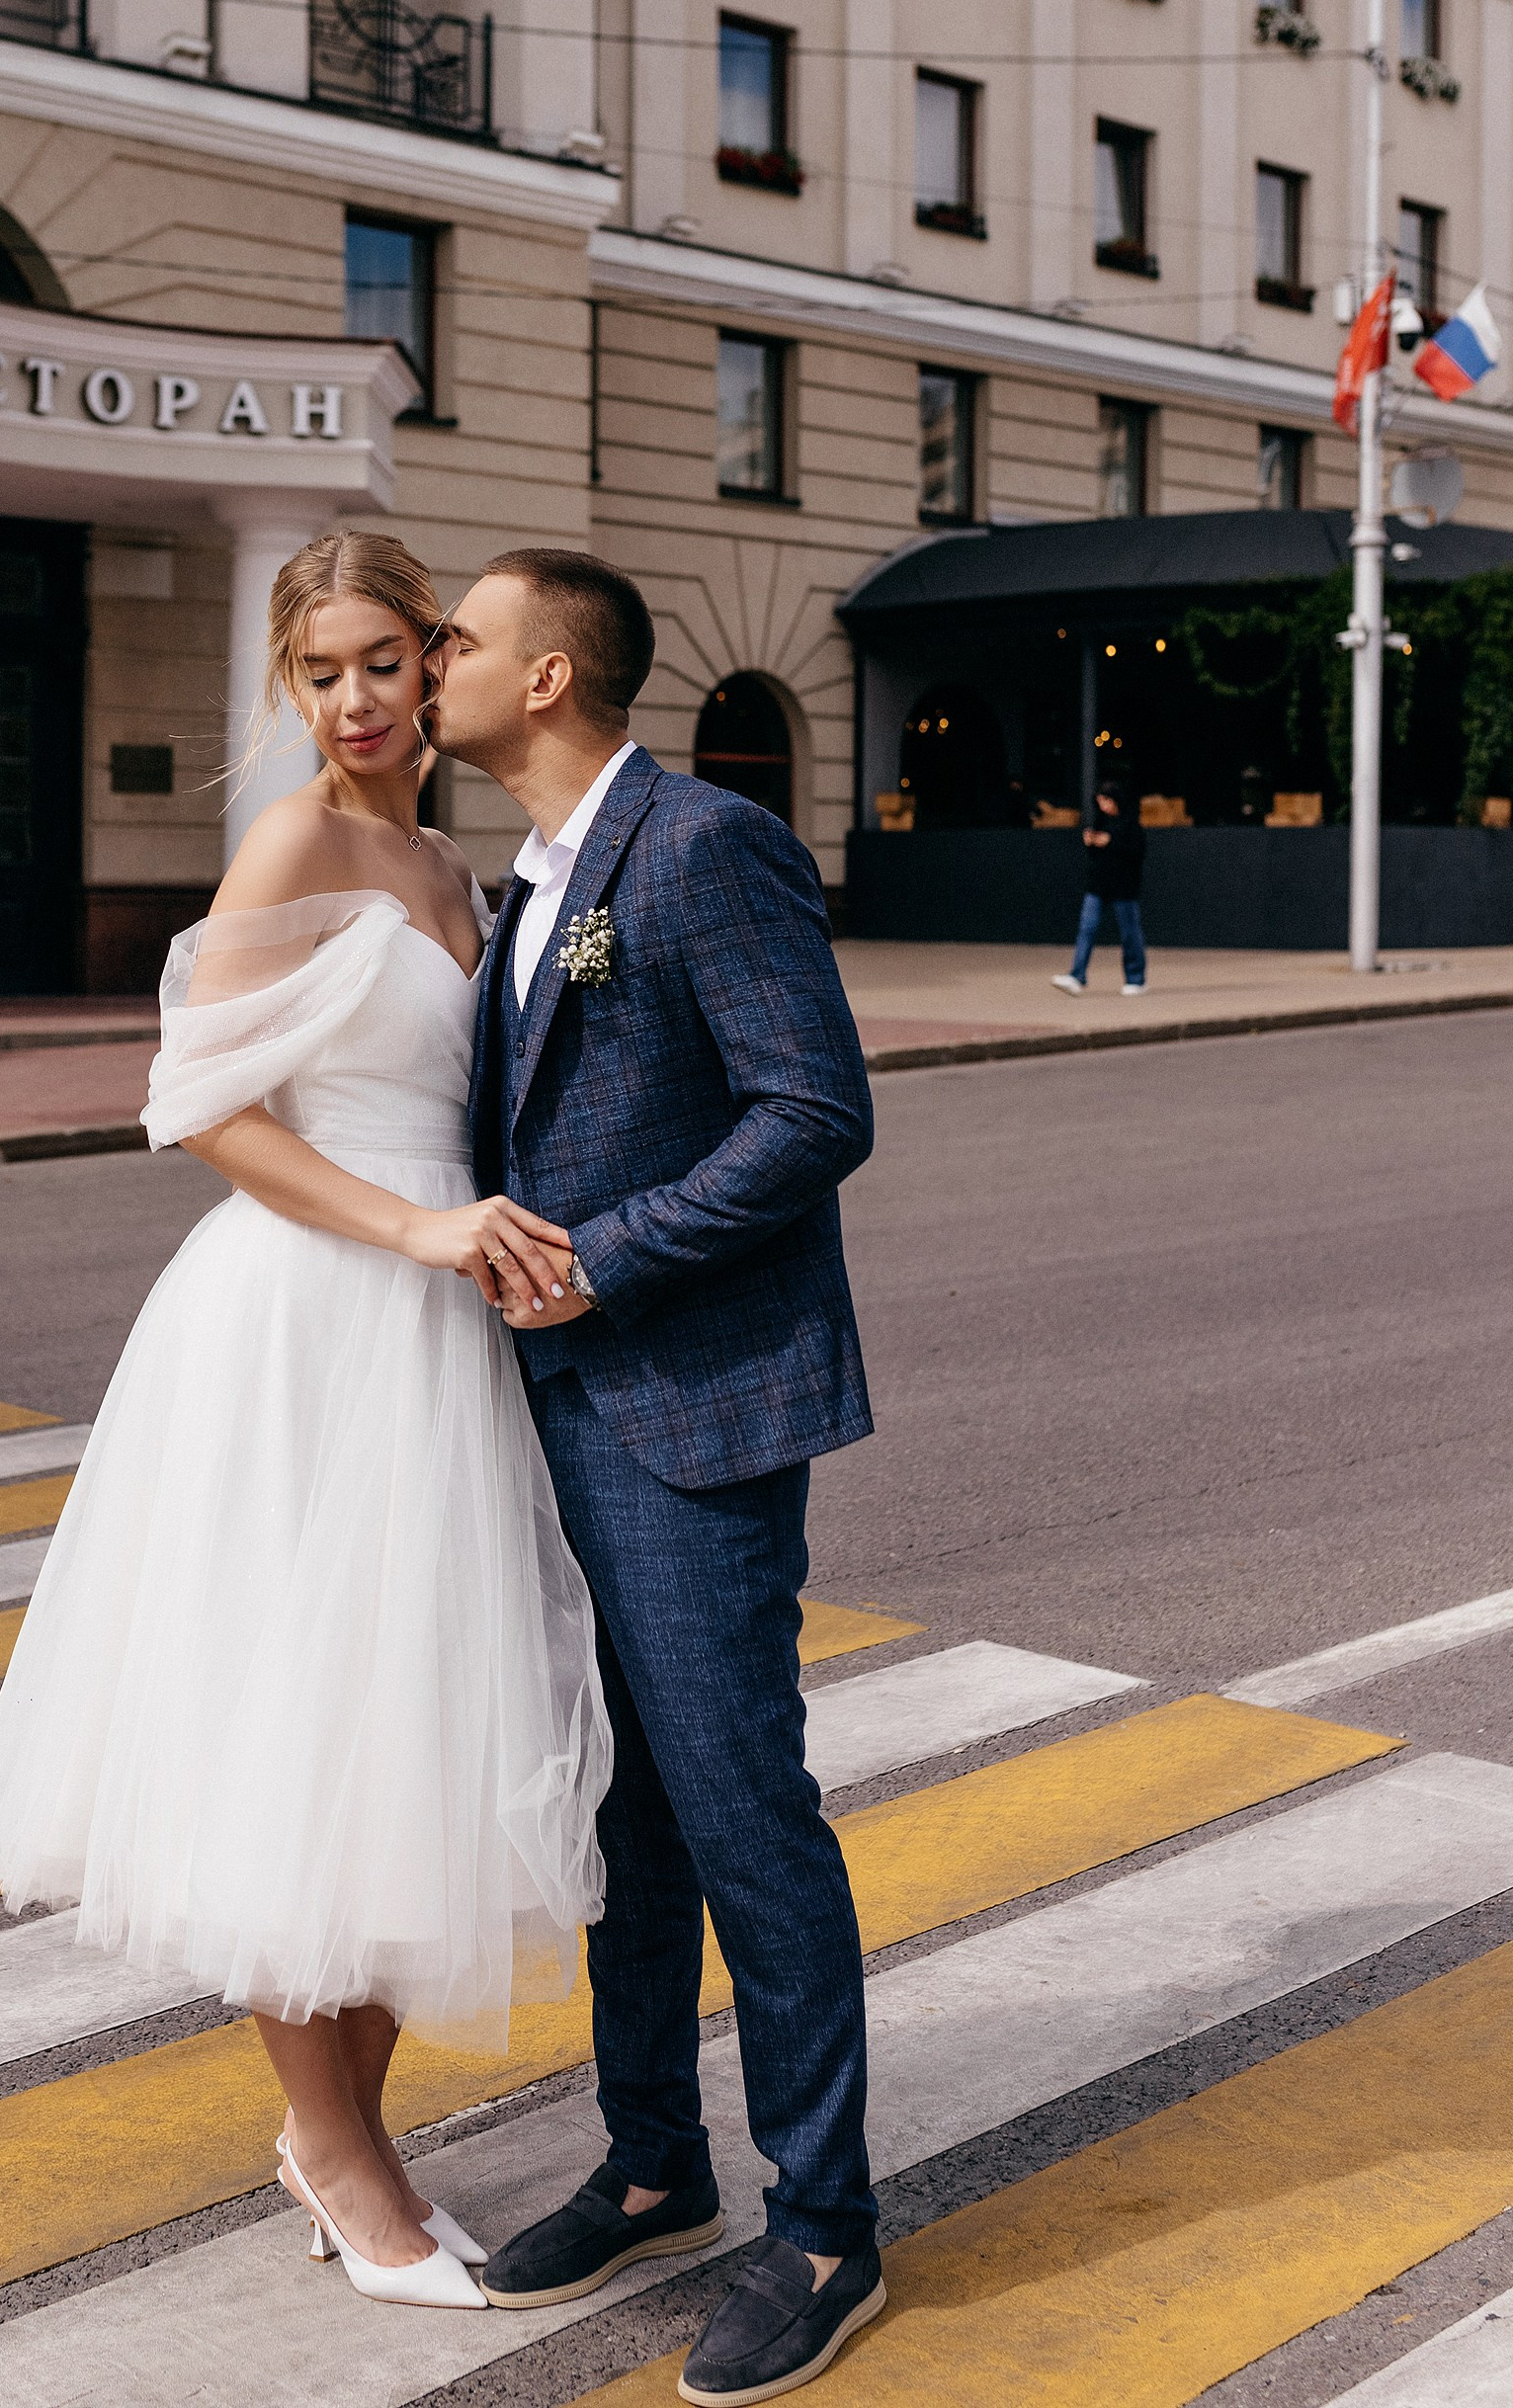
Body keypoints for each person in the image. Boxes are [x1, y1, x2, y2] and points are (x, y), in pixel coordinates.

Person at [0, 531, 612, 2315]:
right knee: (302, 1730)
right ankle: (338, 2152)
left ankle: (344, 2139)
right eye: (322, 672)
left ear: (438, 660)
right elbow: (198, 1108)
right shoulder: (298, 842)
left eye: (387, 661)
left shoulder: (452, 860)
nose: (359, 699)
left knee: (404, 1739)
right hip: (316, 1309)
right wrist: (413, 1230)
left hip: (439, 1323)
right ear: (292, 689)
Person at [434, 550, 884, 2408]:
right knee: (620, 1810)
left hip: (690, 1406)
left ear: (548, 676)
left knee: (733, 1804)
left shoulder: (700, 847)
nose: (436, 663)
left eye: (458, 639)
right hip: (546, 1413)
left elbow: (815, 1109)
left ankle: (829, 2225)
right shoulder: (530, 882)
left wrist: (606, 1254)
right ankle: (648, 2156)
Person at [1052, 775, 1147, 996]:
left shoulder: (1131, 825)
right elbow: (1096, 857)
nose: (1103, 805)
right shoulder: (1100, 822)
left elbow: (1135, 852)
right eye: (1100, 801)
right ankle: (1077, 976)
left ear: (1116, 800)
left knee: (1129, 934)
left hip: (1124, 888)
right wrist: (1092, 843)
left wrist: (1110, 842)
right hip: (1098, 886)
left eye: (1107, 800)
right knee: (1087, 929)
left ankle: (1136, 979)